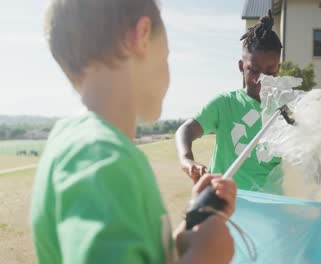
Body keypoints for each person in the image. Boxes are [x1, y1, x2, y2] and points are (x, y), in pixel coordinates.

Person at [30, 0, 236, 263]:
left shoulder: (78, 145)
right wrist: (204, 257)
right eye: (167, 57)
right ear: (142, 36)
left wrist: (190, 226)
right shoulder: (101, 158)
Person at [175, 11, 321, 221]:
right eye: (253, 70)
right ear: (240, 67)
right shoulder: (225, 105)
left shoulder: (286, 111)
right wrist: (186, 159)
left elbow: (307, 157)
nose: (260, 80)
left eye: (270, 72)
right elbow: (186, 130)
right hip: (225, 209)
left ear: (278, 69)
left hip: (269, 214)